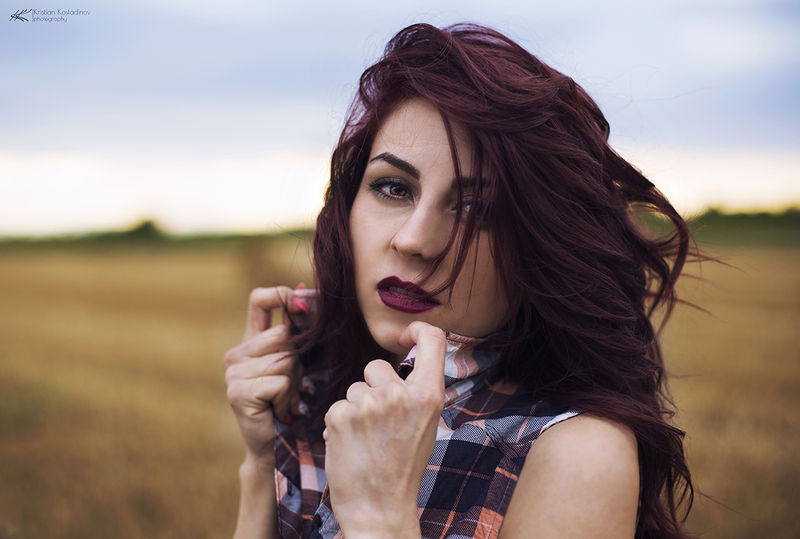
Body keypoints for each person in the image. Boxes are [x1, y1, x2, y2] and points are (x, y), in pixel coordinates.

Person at [224, 22, 697, 538]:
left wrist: (380, 518)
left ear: (541, 246)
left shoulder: (579, 455)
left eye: (478, 209)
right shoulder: (327, 390)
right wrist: (261, 462)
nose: (414, 240)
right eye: (393, 188)